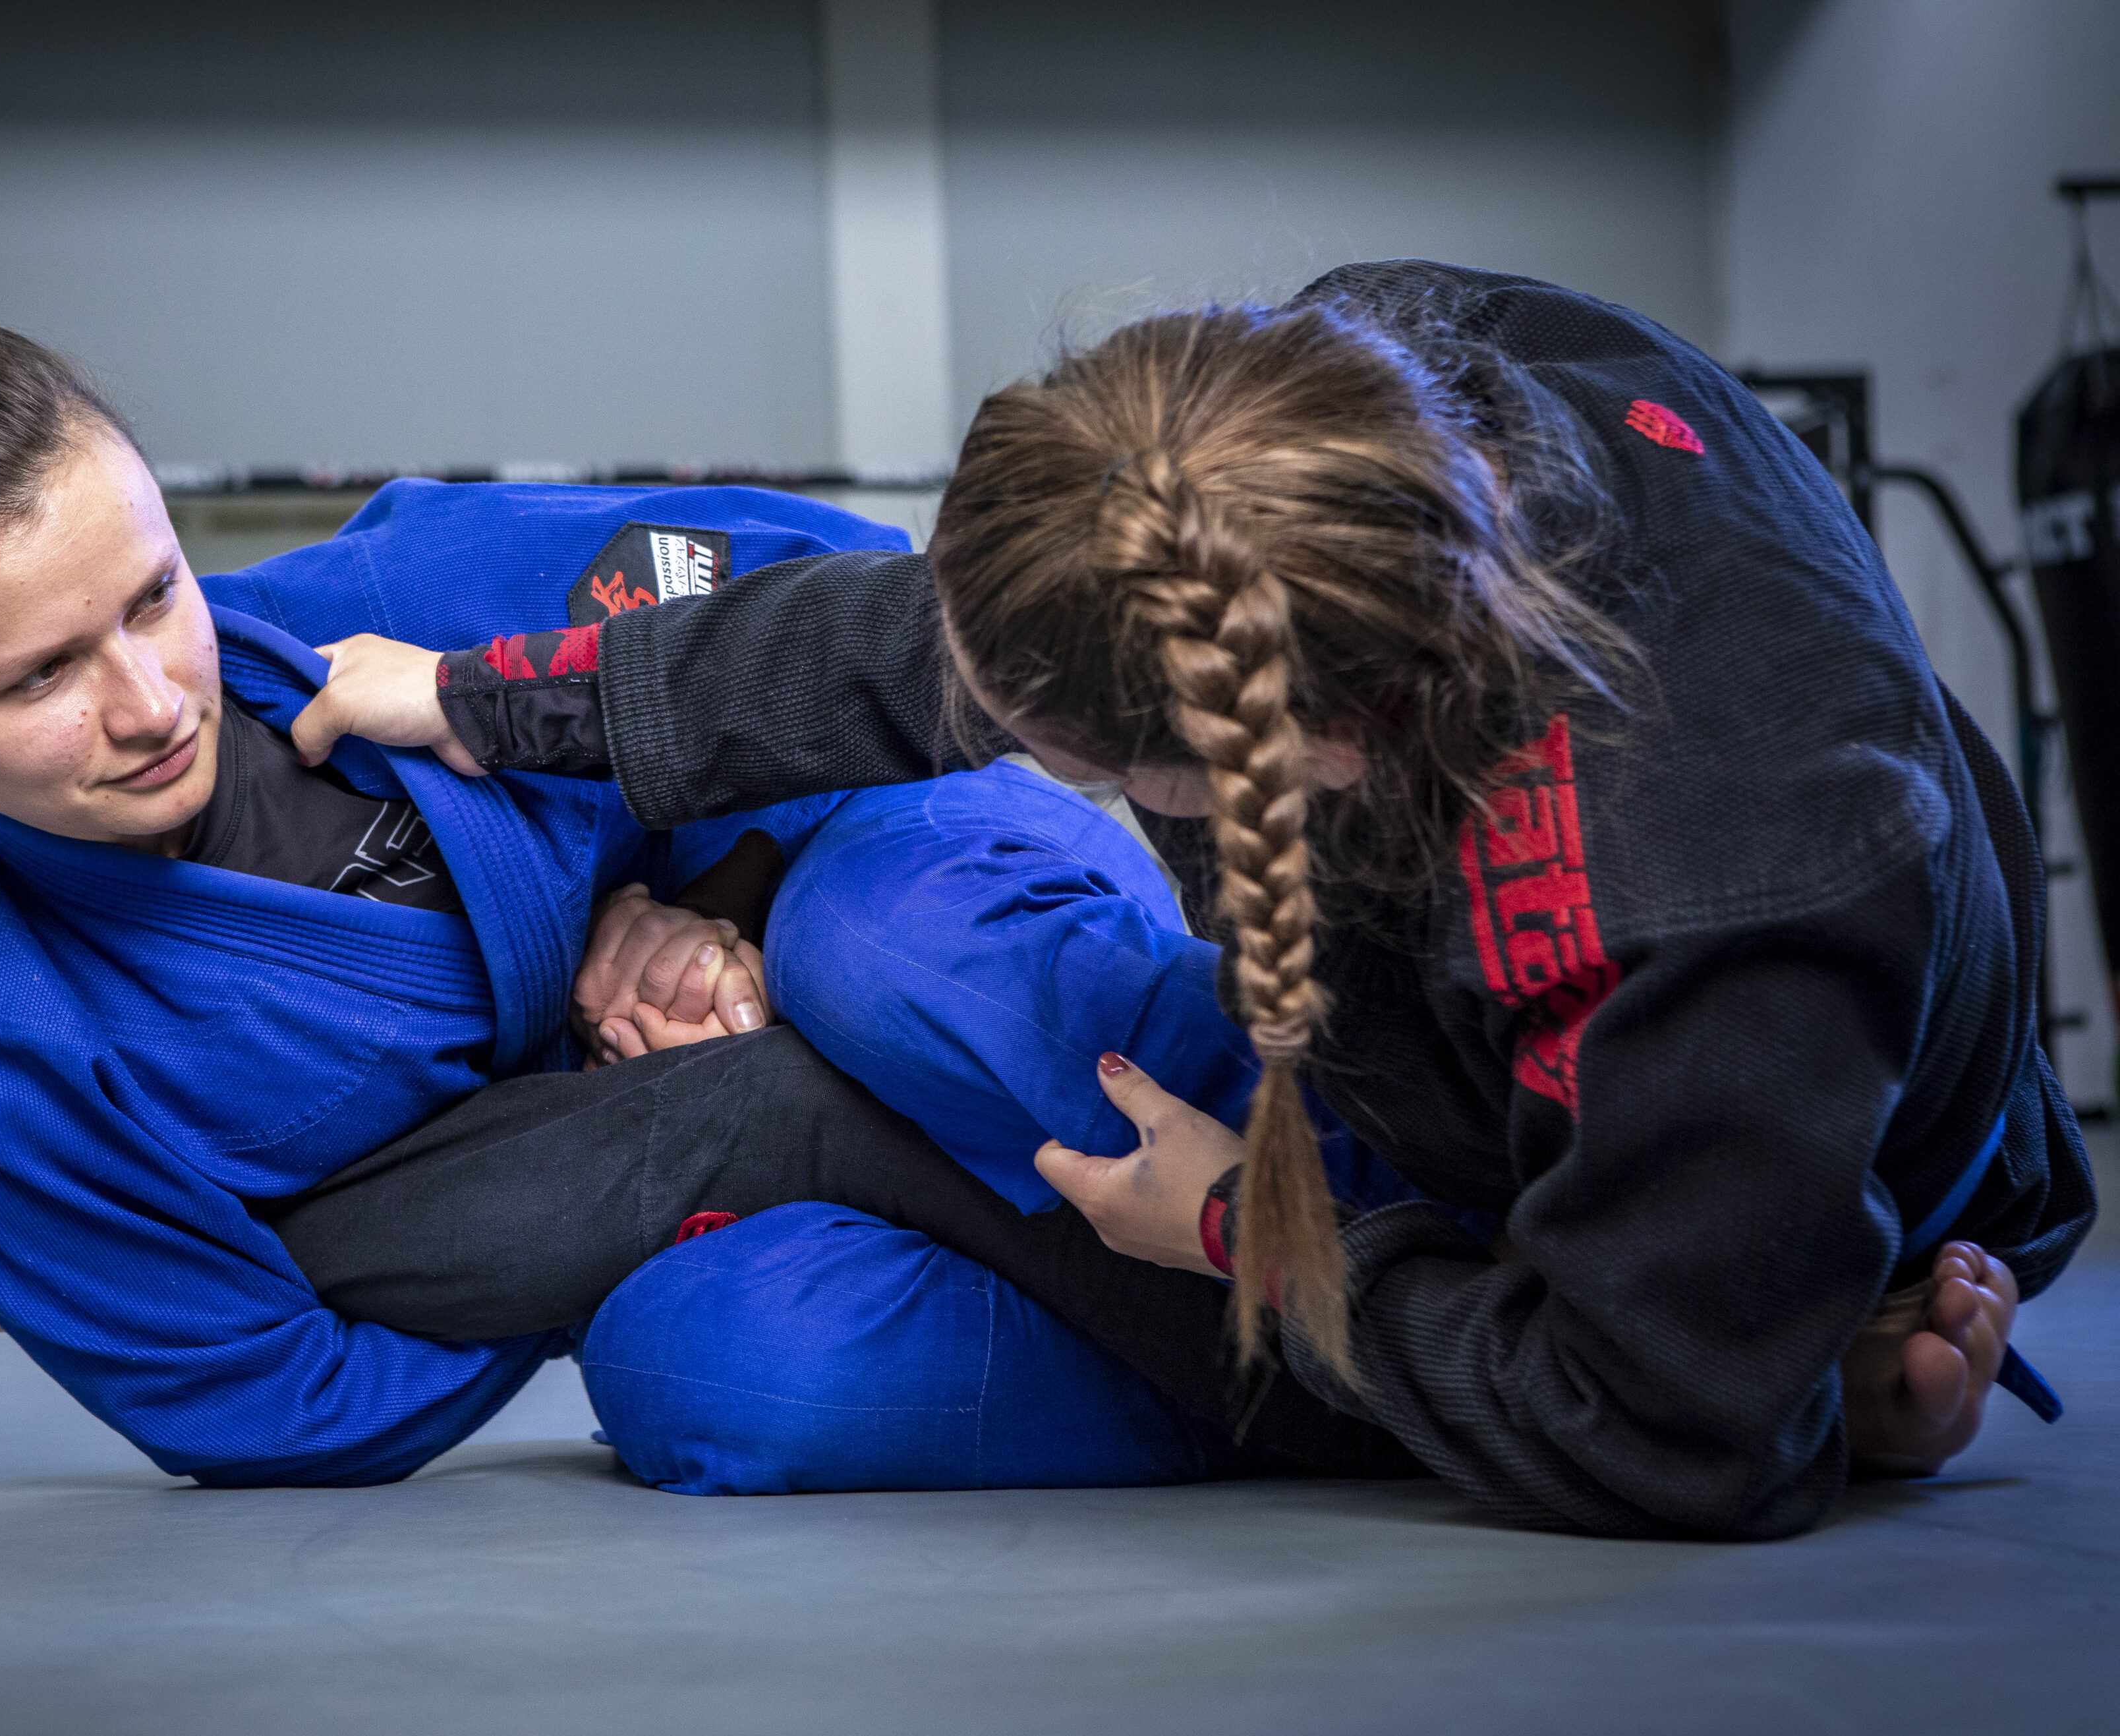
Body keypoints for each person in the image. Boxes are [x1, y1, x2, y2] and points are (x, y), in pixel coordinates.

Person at [293, 262, 2095, 1538]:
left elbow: (1668, 1438)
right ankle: (866, 1134)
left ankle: (1786, 1342)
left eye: (1077, 762)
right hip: (1436, 1089)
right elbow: (923, 642)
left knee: (720, 1375)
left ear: (1291, 752)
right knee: (830, 1009)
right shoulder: (1360, 401)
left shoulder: (1715, 891)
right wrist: (488, 694)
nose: (1031, 759)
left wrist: (1250, 1233)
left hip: (1703, 1204)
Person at [0, 321, 1414, 1494]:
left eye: (154, 595)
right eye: (44, 673)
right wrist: (594, 1151)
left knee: (875, 955)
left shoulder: (404, 592)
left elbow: (877, 626)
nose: (150, 700)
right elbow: (277, 1393)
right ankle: (1328, 1403)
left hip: (896, 896)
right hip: (718, 1172)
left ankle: (1397, 1223)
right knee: (710, 1373)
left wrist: (705, 886)